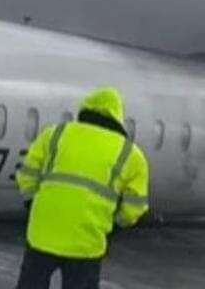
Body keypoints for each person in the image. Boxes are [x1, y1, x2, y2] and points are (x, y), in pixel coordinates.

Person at [15, 87, 150, 289]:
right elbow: (135, 207)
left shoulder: (55, 134)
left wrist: (31, 201)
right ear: (117, 115)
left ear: (86, 108)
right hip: (86, 243)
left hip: (42, 235)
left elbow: (27, 173)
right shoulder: (131, 154)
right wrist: (115, 223)